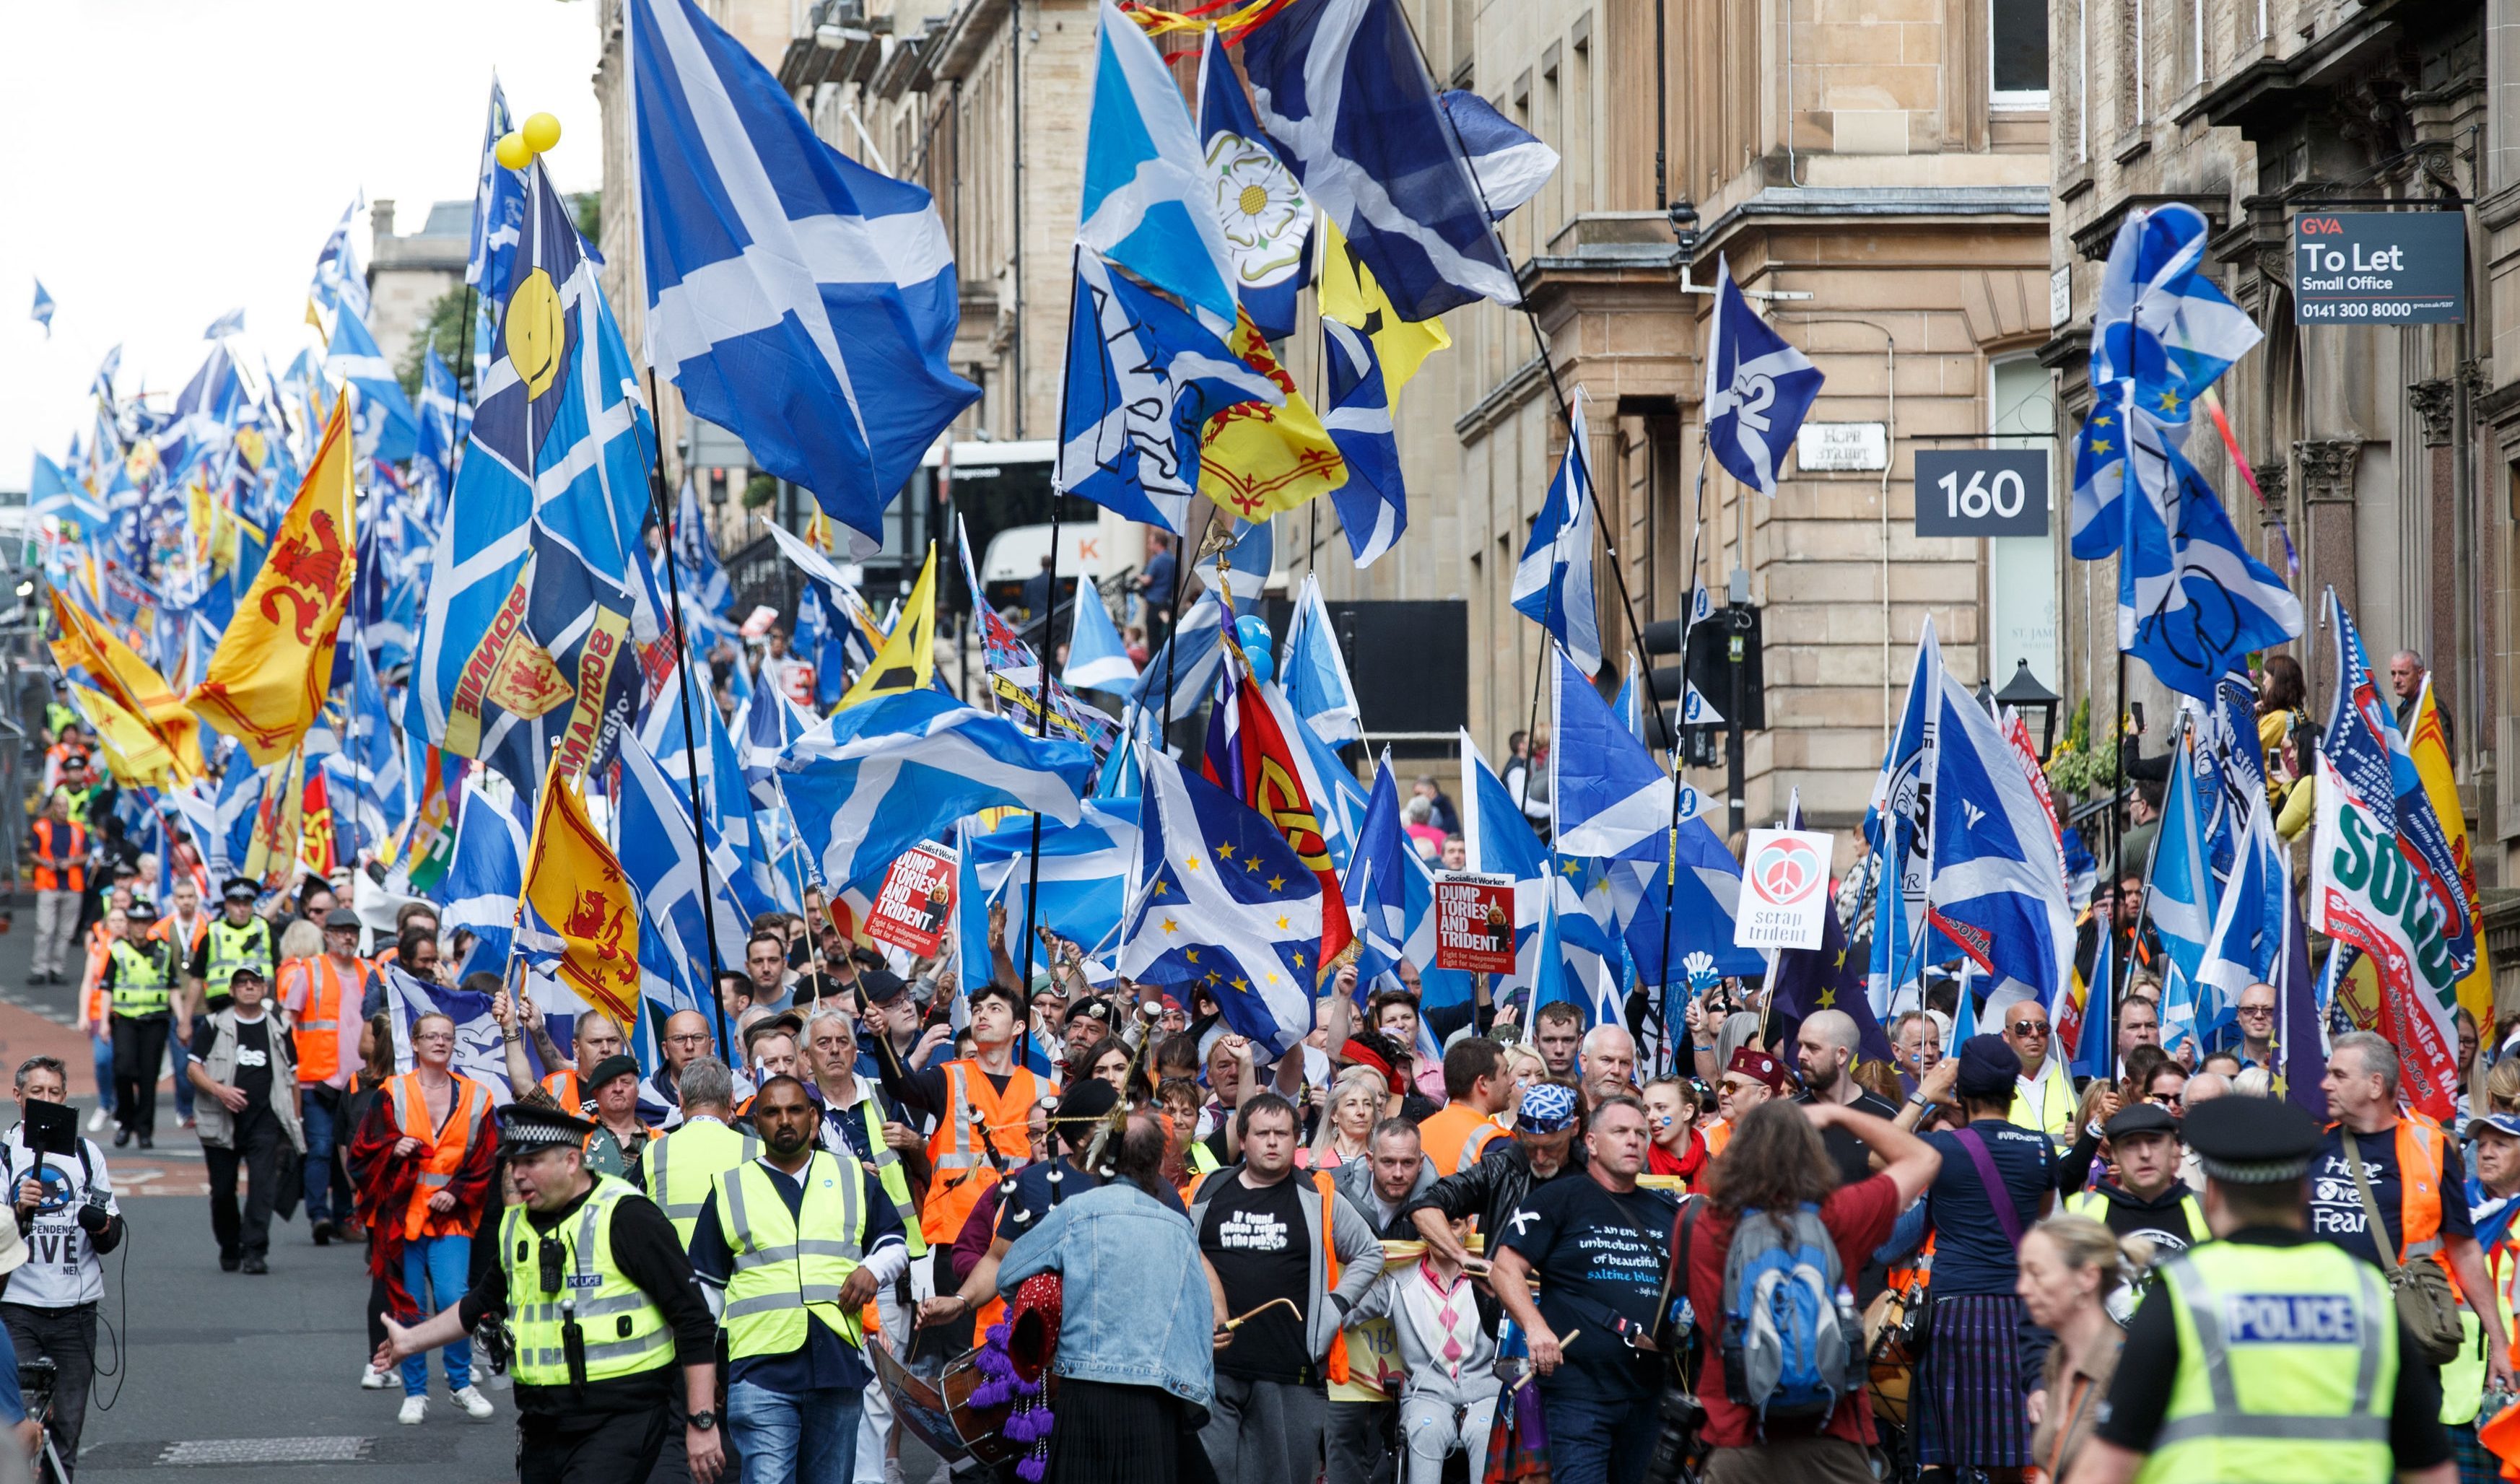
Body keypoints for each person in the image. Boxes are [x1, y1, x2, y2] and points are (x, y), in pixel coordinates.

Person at [2065, 1094, 2456, 1484]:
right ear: (2305, 1192)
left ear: (2213, 1195)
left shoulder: (2187, 1288)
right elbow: (2430, 1467)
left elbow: (2108, 1465)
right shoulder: (2365, 1291)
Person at [375, 1104, 725, 1483]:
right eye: (513, 1164)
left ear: (572, 1161)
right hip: (542, 1424)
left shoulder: (626, 1216)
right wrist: (410, 1341)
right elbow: (480, 1304)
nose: (519, 1175)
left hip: (621, 1419)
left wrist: (701, 1421)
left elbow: (693, 1319)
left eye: (532, 1162)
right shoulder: (517, 1226)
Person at [1683, 1096, 1940, 1484]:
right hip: (1834, 1439)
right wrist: (1841, 1114)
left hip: (1739, 1442)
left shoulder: (1703, 1227)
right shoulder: (1841, 1214)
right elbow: (1925, 1159)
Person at [689, 1075, 907, 1484]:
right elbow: (705, 1296)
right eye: (771, 1112)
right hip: (760, 1369)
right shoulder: (731, 1187)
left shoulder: (852, 1176)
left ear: (814, 1117)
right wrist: (707, 1378)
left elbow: (896, 1243)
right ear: (756, 1122)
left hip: (837, 1364)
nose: (784, 1120)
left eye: (794, 1111)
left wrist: (872, 1270)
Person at [995, 1109, 1216, 1484]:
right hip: (1155, 1398)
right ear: (1158, 1162)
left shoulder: (1076, 1212)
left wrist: (1057, 1303)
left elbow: (1009, 1274)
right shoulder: (1178, 1227)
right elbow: (1199, 1316)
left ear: (1100, 1158)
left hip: (1084, 1392)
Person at [1190, 1092, 1387, 1484]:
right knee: (1205, 1477)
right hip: (1211, 1370)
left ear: (1297, 1140)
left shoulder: (1318, 1194)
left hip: (1289, 1371)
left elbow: (1370, 1252)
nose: (1273, 1142)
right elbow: (1181, 1253)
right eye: (1263, 1133)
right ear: (1242, 1139)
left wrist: (1335, 1307)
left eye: (1283, 1133)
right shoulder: (1206, 1190)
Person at [1488, 1095, 1676, 1484]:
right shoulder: (1559, 1198)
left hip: (1649, 1394)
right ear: (1590, 1142)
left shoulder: (1667, 1211)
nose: (1634, 1141)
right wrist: (1536, 1328)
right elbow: (1505, 1268)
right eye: (1621, 1132)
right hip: (1579, 1394)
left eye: (1641, 1133)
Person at [2314, 1031, 2517, 1392]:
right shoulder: (2313, 1147)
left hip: (2401, 1333)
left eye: (2339, 1075)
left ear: (2376, 1085)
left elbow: (2464, 1248)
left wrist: (2500, 1343)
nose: (2325, 1084)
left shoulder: (2429, 1147)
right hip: (2320, 1335)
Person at [1900, 1036, 2058, 1478]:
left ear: (1962, 1094)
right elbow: (2043, 1212)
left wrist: (1924, 1093)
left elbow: (1879, 1155)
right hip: (2019, 1312)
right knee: (2013, 1456)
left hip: (1955, 1311)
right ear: (2012, 1091)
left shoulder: (1943, 1149)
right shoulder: (2042, 1147)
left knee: (1941, 1456)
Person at [355, 1011, 498, 1424]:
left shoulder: (477, 1096)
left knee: (456, 1298)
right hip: (401, 1218)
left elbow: (487, 1159)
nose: (440, 1042)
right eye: (431, 1036)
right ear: (414, 1044)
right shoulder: (391, 1092)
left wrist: (455, 1193)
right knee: (409, 1305)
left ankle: (459, 1384)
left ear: (454, 1045)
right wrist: (391, 1148)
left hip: (451, 1217)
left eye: (447, 1037)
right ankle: (415, 1392)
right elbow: (363, 1150)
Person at [871, 979, 1044, 1310]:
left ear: (1019, 1026)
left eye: (995, 1009)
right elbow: (900, 1086)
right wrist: (881, 1040)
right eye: (977, 1010)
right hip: (957, 1235)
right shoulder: (948, 1077)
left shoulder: (1045, 1090)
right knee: (958, 1348)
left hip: (1019, 1234)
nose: (982, 1016)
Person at [0, 1056, 122, 1478]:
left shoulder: (87, 1155)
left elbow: (110, 1237)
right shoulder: (2, 1156)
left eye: (54, 1093)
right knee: (17, 1430)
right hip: (17, 1310)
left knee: (66, 1430)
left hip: (76, 1313)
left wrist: (103, 1225)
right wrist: (17, 1209)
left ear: (66, 1098)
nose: (46, 1100)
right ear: (18, 1097)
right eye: (37, 1093)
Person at [1346, 1205, 1501, 1484]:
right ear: (1422, 1229)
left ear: (1469, 1225)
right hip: (1426, 1396)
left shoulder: (1491, 1276)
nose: (1443, 1236)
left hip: (1486, 1394)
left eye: (1452, 1225)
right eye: (1435, 1227)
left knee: (1486, 1429)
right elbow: (1346, 1312)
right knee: (1425, 1429)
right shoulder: (1399, 1281)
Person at [1327, 1117, 1433, 1484]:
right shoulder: (1333, 1193)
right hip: (1345, 1363)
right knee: (1343, 1447)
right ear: (1370, 1160)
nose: (1399, 1173)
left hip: (1410, 1358)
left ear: (1422, 1162)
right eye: (1389, 1162)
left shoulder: (1441, 1201)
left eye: (1408, 1163)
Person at [187, 967, 303, 1274]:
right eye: (242, 983)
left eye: (255, 982)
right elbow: (193, 1068)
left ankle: (255, 1250)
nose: (249, 987)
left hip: (265, 1120)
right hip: (221, 1121)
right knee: (223, 1191)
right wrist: (220, 1091)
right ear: (233, 989)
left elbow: (292, 1077)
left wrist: (296, 1119)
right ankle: (229, 1244)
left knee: (263, 1186)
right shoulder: (215, 1025)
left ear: (265, 989)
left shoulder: (279, 1026)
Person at [2018, 1214, 2137, 1484]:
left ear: (2087, 1278)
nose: (2023, 1288)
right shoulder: (2057, 1359)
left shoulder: (2124, 1367)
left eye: (2036, 1274)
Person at [282, 907, 372, 1241]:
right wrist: (290, 1073)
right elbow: (289, 1021)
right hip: (316, 1078)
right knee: (320, 1148)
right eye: (341, 930)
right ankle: (320, 1216)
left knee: (352, 1151)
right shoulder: (310, 970)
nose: (348, 937)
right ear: (328, 935)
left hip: (360, 1081)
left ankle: (346, 1218)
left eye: (353, 931)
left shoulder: (370, 971)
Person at [2061, 1103, 2208, 1273]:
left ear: (2175, 1149)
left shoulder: (2205, 1208)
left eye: (2154, 1142)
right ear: (2114, 1154)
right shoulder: (2082, 1210)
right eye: (2131, 1144)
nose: (2145, 1154)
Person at [642, 1058, 759, 1250]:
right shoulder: (757, 1150)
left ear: (681, 1100)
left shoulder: (654, 1151)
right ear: (732, 1100)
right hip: (738, 1272)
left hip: (675, 1272)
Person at [100, 897, 178, 1149]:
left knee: (148, 1077)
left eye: (145, 921)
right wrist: (103, 1021)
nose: (140, 926)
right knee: (122, 1070)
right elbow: (107, 988)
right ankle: (125, 1121)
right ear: (129, 924)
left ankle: (145, 1129)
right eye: (136, 921)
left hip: (155, 1021)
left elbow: (173, 987)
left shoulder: (163, 951)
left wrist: (183, 1020)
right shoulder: (118, 950)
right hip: (125, 1020)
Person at [1795, 1008, 1901, 1187]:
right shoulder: (1786, 1115)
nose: (1801, 1056)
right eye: (1800, 1046)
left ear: (1841, 1055)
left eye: (1812, 1048)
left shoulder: (1887, 1114)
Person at [1414, 1038, 1513, 1177]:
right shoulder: (1493, 1142)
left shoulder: (1418, 1132)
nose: (1512, 1080)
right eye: (1505, 1073)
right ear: (1483, 1083)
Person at [186, 877, 276, 1026]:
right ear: (227, 904)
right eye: (236, 904)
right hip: (222, 1006)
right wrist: (185, 1021)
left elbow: (279, 971)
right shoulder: (213, 932)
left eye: (246, 904)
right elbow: (196, 979)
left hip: (261, 1006)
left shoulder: (265, 931)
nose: (241, 909)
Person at [26, 790, 87, 989]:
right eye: (58, 806)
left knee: (66, 931)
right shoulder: (41, 827)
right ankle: (39, 969)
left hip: (72, 884)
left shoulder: (78, 829)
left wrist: (72, 862)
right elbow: (32, 853)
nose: (62, 810)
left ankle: (57, 968)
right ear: (52, 808)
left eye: (65, 806)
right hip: (48, 884)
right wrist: (46, 863)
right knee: (45, 928)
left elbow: (87, 854)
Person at [2004, 998, 2077, 1152]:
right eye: (2023, 1028)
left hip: (2068, 1172)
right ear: (2006, 1036)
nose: (2035, 1034)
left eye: (2042, 1027)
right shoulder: (1993, 1084)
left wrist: (2084, 1137)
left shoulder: (2076, 1080)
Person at [582, 1055, 659, 1180]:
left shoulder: (661, 1139)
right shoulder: (579, 1132)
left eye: (625, 1082)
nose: (618, 1089)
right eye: (609, 1083)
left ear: (638, 1090)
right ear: (596, 1093)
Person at [1577, 1025, 1636, 1111]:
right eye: (1606, 1060)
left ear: (1631, 1069)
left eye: (1624, 1063)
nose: (1616, 1071)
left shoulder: (1638, 1120)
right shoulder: (1561, 1115)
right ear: (1584, 1062)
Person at [1530, 1001, 1583, 1081]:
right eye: (1550, 1040)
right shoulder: (1525, 1092)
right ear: (1536, 1042)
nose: (1559, 1050)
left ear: (1579, 1043)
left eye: (1567, 1040)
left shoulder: (1590, 1092)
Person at [2234, 981, 2278, 1069]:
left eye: (2269, 1010)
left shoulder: (2299, 1066)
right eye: (2250, 1009)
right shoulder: (2218, 1067)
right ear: (2239, 1016)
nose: (2259, 1016)